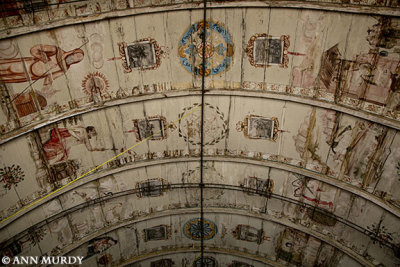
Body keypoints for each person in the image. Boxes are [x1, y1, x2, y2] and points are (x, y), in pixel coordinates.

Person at [0, 44, 84, 96]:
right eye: (76, 56)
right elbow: (34, 49)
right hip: (26, 64)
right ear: (72, 52)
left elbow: (50, 78)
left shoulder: (64, 69)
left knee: (4, 79)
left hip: (28, 76)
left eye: (78, 60)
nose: (75, 59)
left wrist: (47, 86)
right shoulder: (56, 51)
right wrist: (46, 60)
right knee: (5, 68)